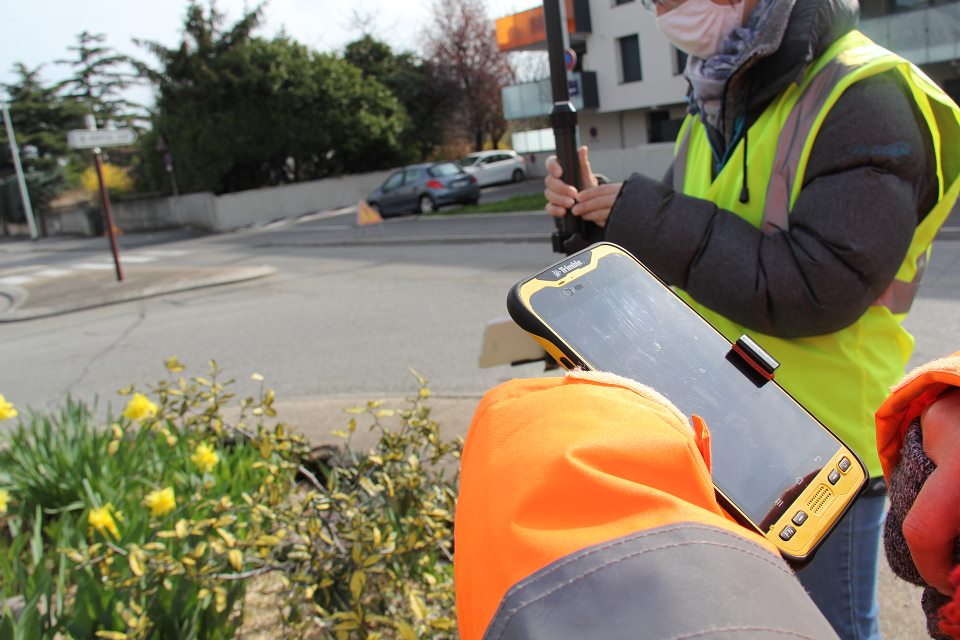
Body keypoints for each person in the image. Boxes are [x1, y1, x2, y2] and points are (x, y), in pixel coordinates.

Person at [542, 0, 960, 637]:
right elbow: (671, 254)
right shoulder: (716, 101)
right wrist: (596, 210)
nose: (662, 10)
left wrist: (642, 215)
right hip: (729, 438)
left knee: (831, 631)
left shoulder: (866, 92)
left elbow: (820, 285)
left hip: (821, 451)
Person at [453, 356, 960, 639]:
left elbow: (826, 276)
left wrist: (559, 424)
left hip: (813, 433)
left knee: (847, 624)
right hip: (744, 440)